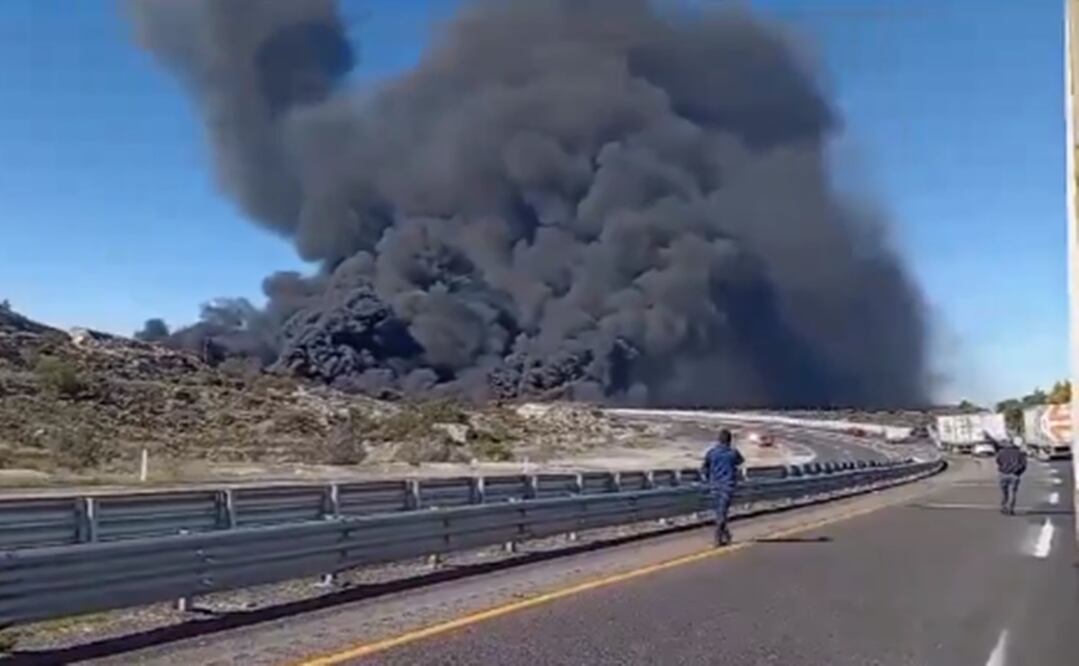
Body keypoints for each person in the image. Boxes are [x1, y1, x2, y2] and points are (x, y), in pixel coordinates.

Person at [702, 429, 745, 546]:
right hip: (728, 485)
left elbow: (704, 467)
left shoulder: (711, 452)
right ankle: (719, 537)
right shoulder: (732, 453)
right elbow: (741, 461)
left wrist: (709, 478)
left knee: (719, 511)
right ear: (729, 440)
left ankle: (724, 536)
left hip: (714, 485)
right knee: (722, 512)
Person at [994, 440, 1027, 515]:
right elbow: (1024, 464)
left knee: (1004, 492)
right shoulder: (1019, 453)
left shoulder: (1001, 452)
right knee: (1013, 493)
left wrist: (1003, 467)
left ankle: (1003, 506)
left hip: (1003, 474)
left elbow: (998, 461)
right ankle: (1010, 508)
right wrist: (1018, 472)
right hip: (1014, 474)